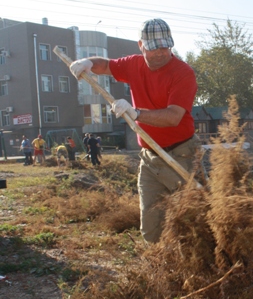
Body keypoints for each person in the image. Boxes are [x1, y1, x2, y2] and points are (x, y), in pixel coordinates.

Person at [70, 18, 198, 244]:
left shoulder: (182, 73)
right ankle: (160, 268)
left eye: (165, 46)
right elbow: (107, 65)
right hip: (149, 158)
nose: (160, 53)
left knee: (191, 221)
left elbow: (173, 117)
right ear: (141, 45)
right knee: (150, 227)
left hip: (181, 155)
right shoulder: (133, 64)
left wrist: (137, 113)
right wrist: (88, 62)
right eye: (153, 47)